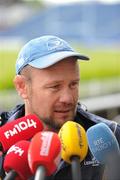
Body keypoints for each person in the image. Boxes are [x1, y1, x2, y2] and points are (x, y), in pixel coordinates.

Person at [0, 35, 120, 180]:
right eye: (55, 87)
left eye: (73, 84)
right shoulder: (2, 140)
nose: (68, 98)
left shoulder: (110, 136)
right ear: (22, 87)